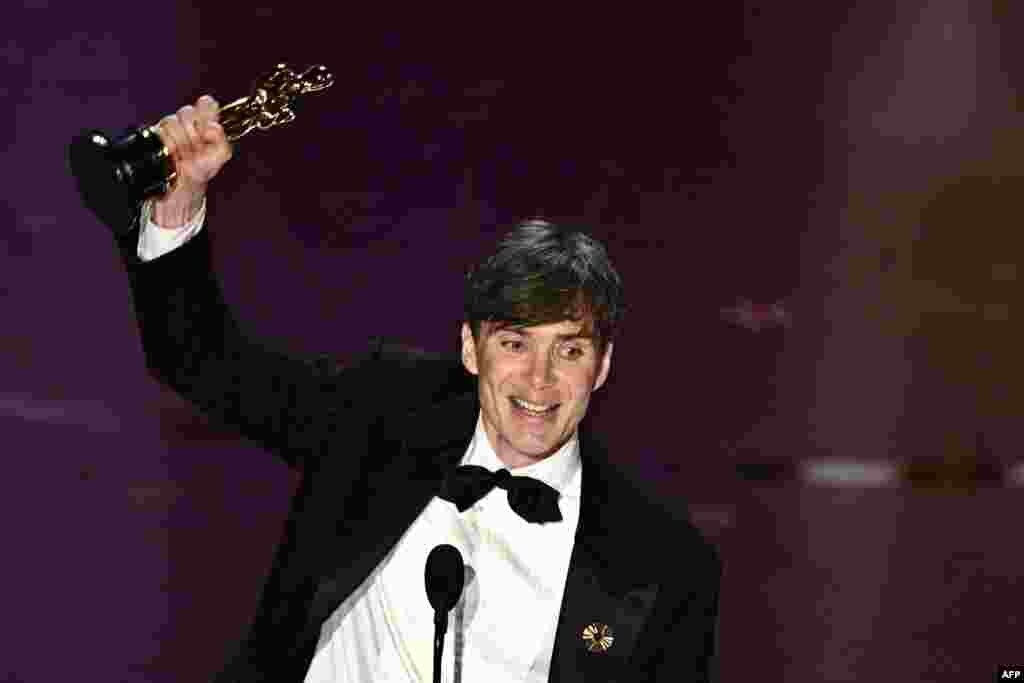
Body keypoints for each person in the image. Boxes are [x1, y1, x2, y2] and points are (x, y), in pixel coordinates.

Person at [74, 95, 721, 682]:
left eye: (569, 350)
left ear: (602, 366)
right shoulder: (383, 410)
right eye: (515, 344)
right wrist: (178, 202)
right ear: (471, 348)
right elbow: (206, 364)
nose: (540, 380)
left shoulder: (664, 564)